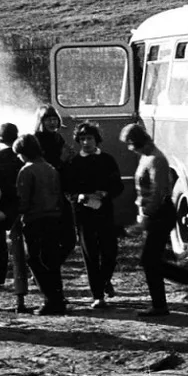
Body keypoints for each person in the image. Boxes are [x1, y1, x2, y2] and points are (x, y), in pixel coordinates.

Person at [120, 123, 188, 317]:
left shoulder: (156, 159)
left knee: (149, 260)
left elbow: (159, 192)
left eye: (130, 144)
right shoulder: (147, 157)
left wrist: (145, 217)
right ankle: (183, 284)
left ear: (138, 141)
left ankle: (168, 298)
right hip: (155, 214)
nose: (130, 148)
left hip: (160, 214)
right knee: (151, 260)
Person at [62, 121, 123, 309]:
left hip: (104, 211)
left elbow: (118, 186)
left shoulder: (107, 159)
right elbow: (67, 189)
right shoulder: (73, 163)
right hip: (83, 213)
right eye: (82, 139)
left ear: (96, 140)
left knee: (110, 252)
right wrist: (79, 196)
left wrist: (105, 193)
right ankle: (98, 296)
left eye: (89, 138)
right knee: (90, 254)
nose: (86, 142)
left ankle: (104, 280)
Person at [14, 133, 67, 315]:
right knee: (51, 261)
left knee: (35, 261)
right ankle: (58, 298)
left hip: (34, 220)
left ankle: (49, 299)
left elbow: (23, 202)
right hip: (53, 219)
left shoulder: (26, 171)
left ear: (23, 153)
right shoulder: (50, 168)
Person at [0, 123, 26, 307]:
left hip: (0, 209)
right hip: (18, 206)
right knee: (20, 253)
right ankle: (20, 299)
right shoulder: (19, 156)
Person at [32, 105, 68, 172]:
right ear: (41, 121)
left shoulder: (57, 137)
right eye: (48, 120)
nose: (52, 122)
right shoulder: (35, 139)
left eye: (54, 119)